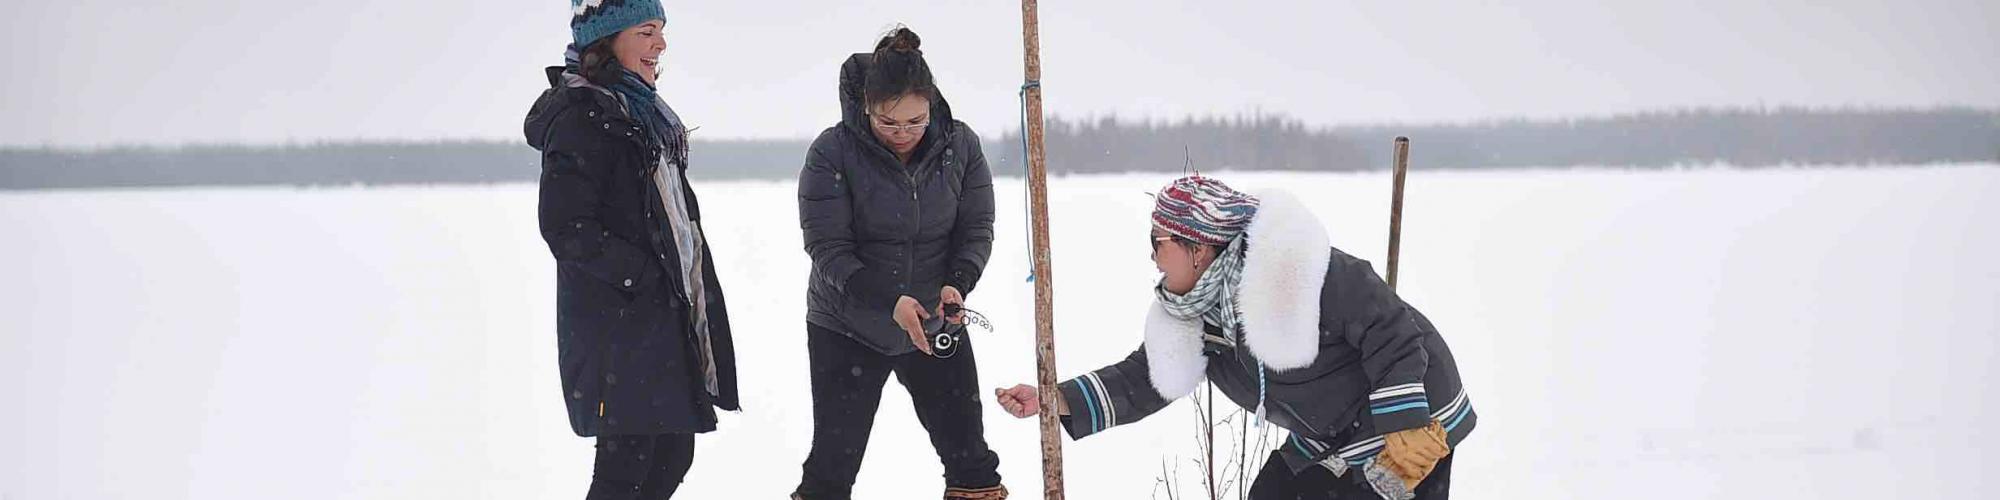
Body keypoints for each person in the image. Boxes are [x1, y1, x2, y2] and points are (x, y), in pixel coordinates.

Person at [994, 176, 1476, 500]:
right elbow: (1146, 377)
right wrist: (1053, 399)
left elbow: (1389, 328)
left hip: (1412, 414)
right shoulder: (1196, 313)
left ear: (1199, 249)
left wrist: (1406, 422)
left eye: (1158, 243)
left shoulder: (1296, 272)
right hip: (1332, 431)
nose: (1154, 258)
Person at [524, 1, 738, 498]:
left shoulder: (638, 112)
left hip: (659, 319)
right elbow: (565, 225)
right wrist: (640, 276)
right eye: (646, 31)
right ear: (607, 39)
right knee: (628, 463)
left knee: (671, 450)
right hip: (619, 326)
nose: (660, 44)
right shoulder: (583, 116)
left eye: (661, 31)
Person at [793, 26, 1005, 500]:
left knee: (971, 460)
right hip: (846, 325)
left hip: (934, 321)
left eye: (916, 121)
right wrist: (889, 301)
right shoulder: (832, 152)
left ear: (932, 106)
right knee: (833, 464)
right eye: (889, 124)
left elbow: (975, 229)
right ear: (865, 109)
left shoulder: (961, 147)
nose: (904, 135)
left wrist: (957, 284)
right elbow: (828, 249)